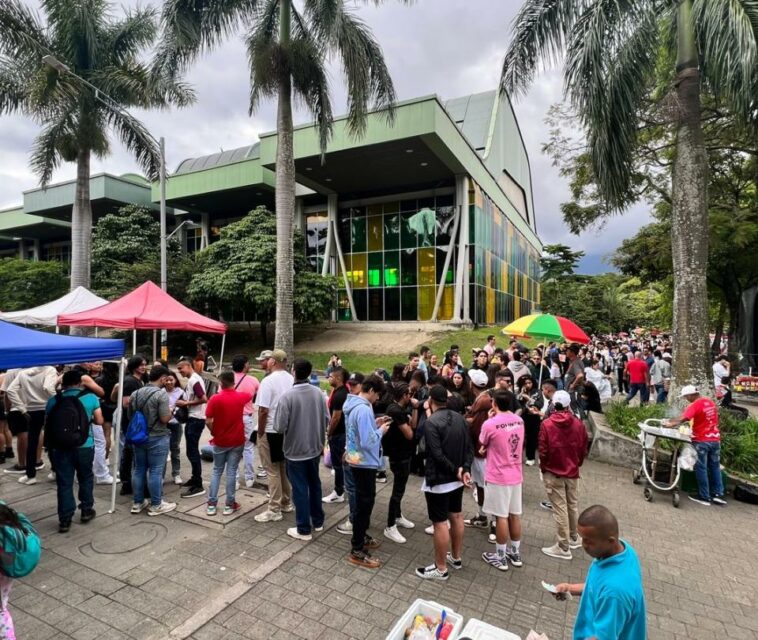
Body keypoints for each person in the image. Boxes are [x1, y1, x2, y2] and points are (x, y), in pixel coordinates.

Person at [552, 505, 647, 640]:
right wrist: (570, 588)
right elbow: (598, 586)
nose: (583, 545)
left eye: (588, 541)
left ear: (610, 541)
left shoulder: (614, 593)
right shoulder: (623, 552)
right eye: (582, 538)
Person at [416, 385, 473, 581]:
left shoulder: (431, 422)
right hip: (457, 480)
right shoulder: (460, 418)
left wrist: (456, 471)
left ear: (431, 400)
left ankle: (440, 568)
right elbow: (469, 449)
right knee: (456, 516)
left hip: (439, 480)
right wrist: (463, 469)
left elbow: (436, 454)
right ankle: (455, 557)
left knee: (440, 522)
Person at [276, 359, 328, 541]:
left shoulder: (287, 397)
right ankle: (318, 520)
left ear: (293, 371)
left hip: (295, 451)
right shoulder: (319, 394)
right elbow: (326, 418)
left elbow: (279, 427)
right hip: (314, 448)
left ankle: (304, 529)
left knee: (299, 489)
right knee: (314, 485)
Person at [46, 370, 101, 532]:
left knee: (64, 482)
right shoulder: (90, 398)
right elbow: (99, 420)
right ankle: (86, 510)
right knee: (85, 477)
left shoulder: (53, 400)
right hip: (85, 444)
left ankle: (65, 519)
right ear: (80, 382)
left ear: (63, 384)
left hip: (61, 447)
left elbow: (48, 423)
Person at [344, 375, 391, 568]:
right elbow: (367, 441)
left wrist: (375, 424)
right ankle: (357, 548)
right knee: (365, 504)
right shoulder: (363, 409)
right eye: (377, 395)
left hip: (356, 459)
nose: (377, 399)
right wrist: (381, 431)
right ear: (371, 390)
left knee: (364, 502)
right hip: (364, 463)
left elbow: (359, 432)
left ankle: (361, 535)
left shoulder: (355, 405)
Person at [539, 390, 588, 560]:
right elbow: (583, 448)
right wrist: (577, 464)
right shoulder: (578, 423)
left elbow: (543, 451)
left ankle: (563, 546)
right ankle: (574, 537)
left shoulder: (547, 424)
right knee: (572, 505)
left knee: (560, 509)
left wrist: (543, 467)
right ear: (568, 405)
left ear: (553, 404)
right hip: (572, 470)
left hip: (554, 471)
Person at [480, 389, 525, 571]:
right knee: (515, 514)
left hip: (498, 475)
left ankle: (500, 555)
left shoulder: (490, 424)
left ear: (494, 404)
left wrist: (489, 419)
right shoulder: (519, 420)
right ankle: (514, 552)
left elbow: (482, 441)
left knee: (501, 517)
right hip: (516, 473)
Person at [128, 366, 176, 517]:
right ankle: (156, 504)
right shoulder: (161, 395)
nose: (167, 381)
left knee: (139, 469)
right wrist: (172, 410)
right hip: (157, 436)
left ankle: (137, 502)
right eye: (166, 379)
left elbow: (130, 416)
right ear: (162, 378)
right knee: (155, 470)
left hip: (139, 437)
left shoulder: (135, 394)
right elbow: (164, 418)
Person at [666, 385, 725, 506]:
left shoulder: (694, 405)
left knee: (701, 467)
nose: (686, 399)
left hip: (702, 440)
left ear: (691, 395)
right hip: (715, 439)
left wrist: (670, 423)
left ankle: (704, 497)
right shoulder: (710, 402)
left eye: (686, 397)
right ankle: (718, 494)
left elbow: (684, 418)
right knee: (715, 467)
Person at [205, 370, 253, 516]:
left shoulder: (214, 399)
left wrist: (214, 432)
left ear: (220, 383)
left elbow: (208, 420)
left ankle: (212, 504)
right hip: (237, 440)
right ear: (233, 382)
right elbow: (250, 394)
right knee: (231, 471)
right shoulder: (241, 397)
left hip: (220, 440)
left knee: (216, 471)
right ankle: (229, 504)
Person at [254, 350, 294, 522]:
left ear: (273, 362)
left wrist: (261, 431)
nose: (267, 361)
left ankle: (274, 508)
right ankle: (286, 502)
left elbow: (263, 410)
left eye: (269, 359)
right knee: (282, 467)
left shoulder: (268, 381)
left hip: (270, 430)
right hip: (285, 430)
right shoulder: (291, 379)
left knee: (271, 470)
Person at [4, 367, 57, 484]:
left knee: (32, 442)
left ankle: (30, 475)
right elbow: (48, 387)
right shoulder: (49, 369)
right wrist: (58, 400)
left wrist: (22, 409)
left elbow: (11, 390)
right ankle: (55, 471)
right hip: (48, 408)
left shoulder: (22, 373)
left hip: (31, 410)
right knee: (51, 441)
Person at [382, 383, 417, 544]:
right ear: (404, 395)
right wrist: (409, 421)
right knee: (397, 491)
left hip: (404, 454)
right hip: (399, 455)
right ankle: (390, 526)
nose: (412, 396)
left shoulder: (401, 410)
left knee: (400, 489)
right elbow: (410, 434)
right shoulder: (395, 411)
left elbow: (414, 425)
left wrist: (415, 410)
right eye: (410, 394)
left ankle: (397, 515)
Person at [336, 372, 365, 536]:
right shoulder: (358, 403)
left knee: (353, 488)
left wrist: (349, 452)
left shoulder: (356, 404)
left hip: (355, 451)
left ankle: (354, 520)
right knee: (356, 487)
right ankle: (356, 518)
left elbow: (357, 433)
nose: (352, 387)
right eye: (350, 384)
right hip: (353, 449)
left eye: (355, 384)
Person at [463, 369, 491, 532]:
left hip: (480, 452)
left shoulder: (482, 403)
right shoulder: (484, 399)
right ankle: (482, 516)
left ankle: (493, 522)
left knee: (485, 486)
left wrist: (467, 421)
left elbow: (478, 430)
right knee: (481, 486)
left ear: (471, 384)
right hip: (481, 452)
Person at [176, 357, 208, 499]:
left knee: (192, 452)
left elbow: (203, 398)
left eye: (181, 368)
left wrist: (185, 403)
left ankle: (198, 484)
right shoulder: (192, 380)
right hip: (193, 418)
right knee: (191, 451)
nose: (180, 372)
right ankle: (195, 479)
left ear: (188, 366)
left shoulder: (194, 380)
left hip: (196, 419)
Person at [230, 355, 261, 488]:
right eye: (248, 364)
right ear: (244, 365)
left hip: (230, 418)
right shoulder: (253, 380)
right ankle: (249, 478)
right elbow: (259, 397)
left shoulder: (227, 379)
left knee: (232, 449)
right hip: (246, 418)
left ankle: (235, 479)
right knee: (248, 448)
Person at [323, 367, 349, 504]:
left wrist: (329, 432)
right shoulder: (341, 391)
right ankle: (343, 489)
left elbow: (336, 417)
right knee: (341, 463)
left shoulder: (340, 395)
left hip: (338, 434)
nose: (328, 378)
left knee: (337, 464)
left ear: (338, 378)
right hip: (341, 433)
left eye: (331, 376)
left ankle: (338, 492)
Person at [164, 373, 184, 485]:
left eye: (171, 380)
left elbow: (186, 407)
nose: (169, 382)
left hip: (176, 424)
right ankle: (161, 475)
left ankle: (176, 474)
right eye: (166, 380)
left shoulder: (180, 392)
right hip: (164, 424)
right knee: (163, 451)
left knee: (175, 449)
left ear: (175, 380)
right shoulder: (161, 392)